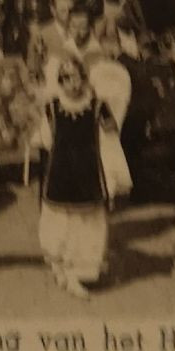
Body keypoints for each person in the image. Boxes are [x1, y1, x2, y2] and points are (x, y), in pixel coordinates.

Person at [38, 55, 118, 299]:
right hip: (61, 174)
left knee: (87, 224)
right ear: (59, 81)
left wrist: (112, 177)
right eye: (65, 78)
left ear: (84, 78)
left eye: (76, 77)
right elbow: (45, 139)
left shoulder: (97, 106)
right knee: (60, 222)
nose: (71, 83)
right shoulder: (51, 106)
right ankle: (62, 267)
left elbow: (110, 140)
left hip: (88, 174)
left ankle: (77, 272)